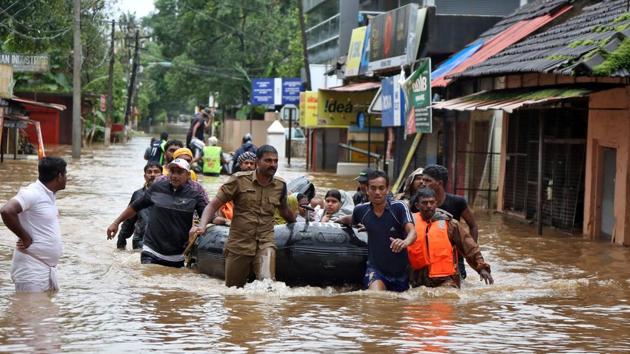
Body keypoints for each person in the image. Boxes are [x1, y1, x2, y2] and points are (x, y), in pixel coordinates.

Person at [190, 145, 296, 287]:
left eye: (275, 161)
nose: (273, 165)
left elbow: (284, 211)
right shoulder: (238, 180)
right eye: (268, 161)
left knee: (268, 285)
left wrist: (298, 225)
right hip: (239, 243)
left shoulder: (280, 185)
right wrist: (202, 226)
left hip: (265, 241)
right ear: (257, 162)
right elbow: (213, 205)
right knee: (234, 290)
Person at [107, 159, 208, 268]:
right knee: (148, 280)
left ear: (188, 175)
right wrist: (116, 223)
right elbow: (135, 207)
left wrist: (201, 226)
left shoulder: (195, 192)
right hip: (151, 250)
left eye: (179, 172)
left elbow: (207, 213)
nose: (174, 175)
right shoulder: (158, 187)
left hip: (178, 255)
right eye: (172, 172)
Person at [337, 170, 416, 292]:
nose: (377, 192)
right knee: (375, 299)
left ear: (387, 189)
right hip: (376, 271)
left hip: (400, 273)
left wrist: (405, 242)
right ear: (366, 189)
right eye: (373, 188)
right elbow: (350, 219)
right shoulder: (361, 210)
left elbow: (412, 232)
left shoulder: (399, 207)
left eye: (381, 188)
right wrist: (333, 221)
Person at [0, 157, 67, 292]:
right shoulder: (32, 192)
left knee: (44, 311)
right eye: (65, 174)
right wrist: (25, 237)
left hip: (46, 268)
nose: (67, 178)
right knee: (29, 312)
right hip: (31, 268)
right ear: (59, 176)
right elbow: (7, 211)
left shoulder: (48, 195)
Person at [407, 188, 493, 288]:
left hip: (446, 280)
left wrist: (481, 268)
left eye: (431, 202)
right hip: (417, 280)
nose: (429, 206)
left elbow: (469, 247)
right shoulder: (409, 224)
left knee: (447, 298)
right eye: (424, 203)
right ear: (417, 206)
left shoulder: (451, 224)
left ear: (436, 204)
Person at [421, 164, 479, 279]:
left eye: (428, 180)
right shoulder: (419, 203)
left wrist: (469, 251)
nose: (423, 183)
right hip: (429, 256)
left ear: (440, 183)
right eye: (423, 180)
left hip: (455, 257)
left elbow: (473, 226)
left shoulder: (457, 202)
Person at [115, 162, 162, 250]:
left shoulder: (169, 194)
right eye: (149, 172)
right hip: (140, 242)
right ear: (145, 176)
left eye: (156, 172)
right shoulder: (138, 195)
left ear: (162, 175)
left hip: (160, 242)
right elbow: (129, 221)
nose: (153, 175)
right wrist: (121, 243)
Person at [213, 151, 258, 226]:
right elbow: (219, 203)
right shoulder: (233, 180)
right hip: (232, 217)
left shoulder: (259, 183)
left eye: (251, 163)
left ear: (255, 166)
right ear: (240, 165)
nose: (249, 165)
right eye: (246, 163)